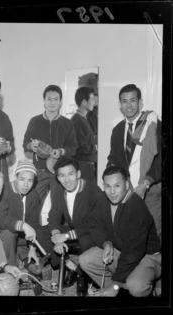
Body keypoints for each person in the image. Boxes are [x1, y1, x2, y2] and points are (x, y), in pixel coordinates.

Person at [79, 166, 161, 297]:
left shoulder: (137, 206)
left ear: (127, 184)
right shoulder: (103, 200)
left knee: (136, 286)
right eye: (107, 186)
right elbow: (95, 225)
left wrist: (116, 283)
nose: (112, 191)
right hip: (122, 252)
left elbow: (134, 250)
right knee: (85, 259)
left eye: (117, 186)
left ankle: (130, 289)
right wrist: (106, 243)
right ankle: (115, 291)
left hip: (147, 257)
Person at [36, 156, 102, 296]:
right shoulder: (59, 190)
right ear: (57, 178)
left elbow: (93, 225)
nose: (66, 180)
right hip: (73, 230)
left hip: (92, 231)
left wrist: (65, 236)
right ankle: (71, 266)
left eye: (71, 174)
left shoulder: (93, 191)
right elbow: (53, 217)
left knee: (86, 240)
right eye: (62, 175)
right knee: (40, 233)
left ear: (78, 174)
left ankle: (82, 275)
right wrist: (55, 236)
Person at [107, 84, 162, 241]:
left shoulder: (154, 125)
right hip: (128, 192)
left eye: (132, 100)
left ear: (140, 102)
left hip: (150, 190)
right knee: (132, 235)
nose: (128, 105)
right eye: (124, 101)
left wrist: (145, 183)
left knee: (153, 237)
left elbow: (161, 161)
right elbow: (114, 158)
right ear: (120, 105)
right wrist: (110, 172)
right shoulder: (117, 130)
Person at [23, 85, 78, 204]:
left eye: (55, 99)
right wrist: (31, 146)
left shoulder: (67, 123)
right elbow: (25, 143)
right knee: (36, 203)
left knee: (59, 204)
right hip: (39, 171)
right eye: (49, 99)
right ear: (44, 101)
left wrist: (61, 152)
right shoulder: (35, 121)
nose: (52, 102)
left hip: (60, 172)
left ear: (60, 102)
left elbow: (73, 148)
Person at [0, 160, 42, 276]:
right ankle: (10, 267)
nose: (26, 185)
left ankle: (25, 256)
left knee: (45, 234)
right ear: (15, 177)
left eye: (30, 180)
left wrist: (32, 248)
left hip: (21, 237)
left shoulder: (33, 195)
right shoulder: (4, 190)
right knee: (9, 233)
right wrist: (22, 225)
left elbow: (34, 223)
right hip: (3, 234)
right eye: (22, 179)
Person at [71, 86, 97, 183]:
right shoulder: (77, 121)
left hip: (88, 164)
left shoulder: (83, 119)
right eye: (92, 99)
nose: (94, 102)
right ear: (83, 101)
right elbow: (81, 146)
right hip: (83, 165)